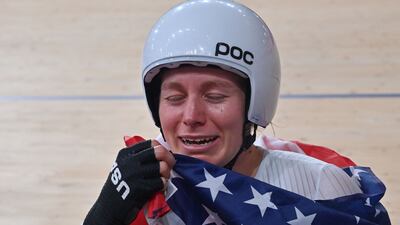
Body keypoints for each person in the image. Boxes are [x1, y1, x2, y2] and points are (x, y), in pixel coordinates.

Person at [83, 1, 390, 225]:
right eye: (174, 97)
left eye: (215, 96)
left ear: (255, 105)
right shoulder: (145, 192)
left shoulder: (321, 186)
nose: (191, 116)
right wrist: (106, 213)